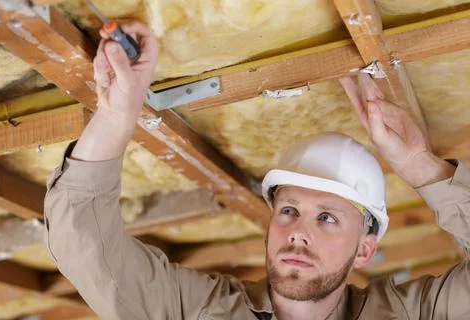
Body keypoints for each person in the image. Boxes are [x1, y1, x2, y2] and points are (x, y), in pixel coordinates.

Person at [44, 21, 470, 320]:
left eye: (326, 217)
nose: (296, 231)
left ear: (364, 248)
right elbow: (86, 248)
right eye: (288, 211)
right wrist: (118, 116)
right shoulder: (196, 309)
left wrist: (420, 165)